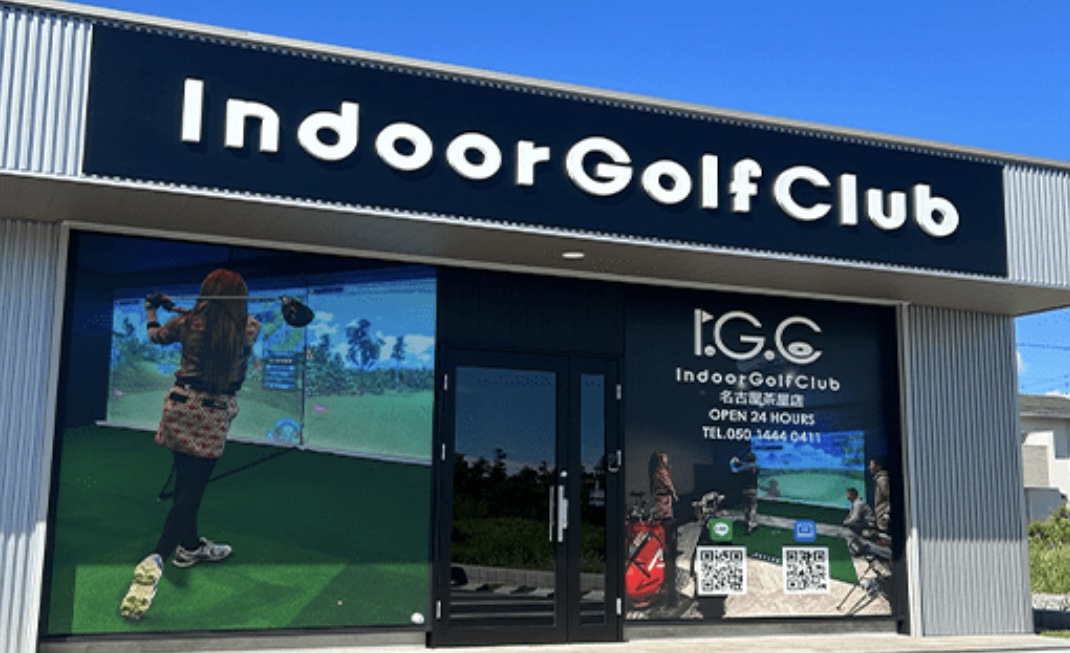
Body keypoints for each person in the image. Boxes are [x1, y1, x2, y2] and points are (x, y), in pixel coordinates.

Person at [119, 269, 261, 621]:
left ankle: (190, 547)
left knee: (186, 482)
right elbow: (219, 322)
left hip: (180, 406)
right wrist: (177, 307)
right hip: (212, 412)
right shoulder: (249, 328)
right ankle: (158, 556)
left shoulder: (186, 323)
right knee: (191, 491)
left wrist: (153, 310)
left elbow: (156, 336)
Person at [732, 451, 760, 534]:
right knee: (753, 508)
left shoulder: (744, 467)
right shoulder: (757, 467)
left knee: (746, 507)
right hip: (753, 490)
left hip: (745, 490)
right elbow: (750, 465)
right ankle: (751, 525)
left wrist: (732, 462)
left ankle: (747, 522)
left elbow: (734, 470)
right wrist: (739, 462)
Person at [869, 457, 891, 533]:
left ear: (878, 467)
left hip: (884, 520)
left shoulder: (882, 480)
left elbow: (889, 497)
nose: (870, 467)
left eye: (871, 465)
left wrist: (886, 514)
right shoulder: (879, 480)